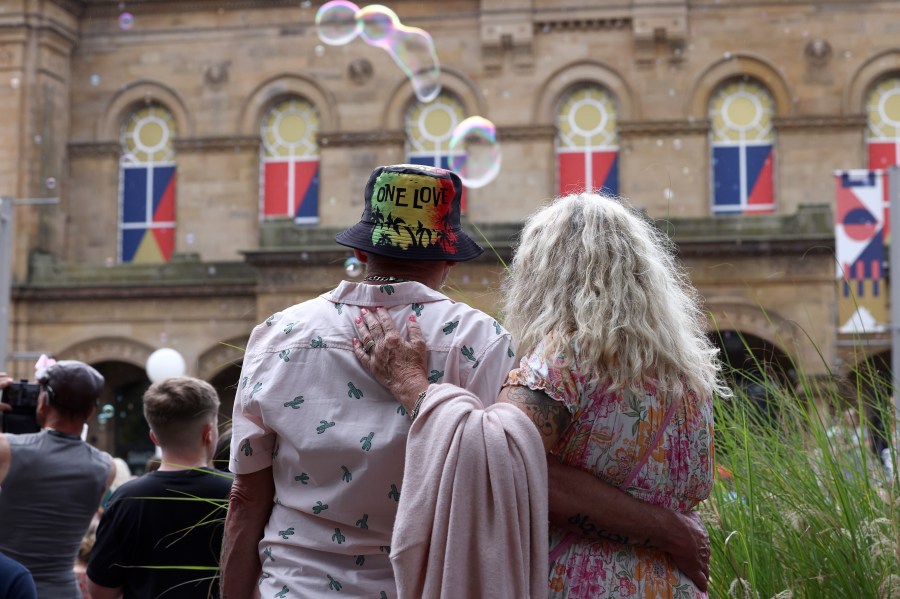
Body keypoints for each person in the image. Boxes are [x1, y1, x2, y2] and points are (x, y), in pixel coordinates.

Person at [222, 165, 710, 598]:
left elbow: (246, 497)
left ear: (360, 247)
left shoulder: (275, 335)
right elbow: (501, 483)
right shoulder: (480, 339)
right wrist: (668, 530)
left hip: (291, 587)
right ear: (449, 258)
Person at [354, 192, 726, 597]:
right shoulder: (690, 377)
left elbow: (499, 456)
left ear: (541, 271)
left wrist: (411, 383)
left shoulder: (568, 351)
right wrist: (671, 532)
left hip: (582, 584)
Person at [87, 376, 232, 599]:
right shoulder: (235, 494)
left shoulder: (126, 499)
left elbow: (101, 591)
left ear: (154, 437)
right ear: (209, 433)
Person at [0, 361, 116, 598]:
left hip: (8, 588)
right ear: (91, 410)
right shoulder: (105, 467)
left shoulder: (7, 450)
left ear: (42, 402)